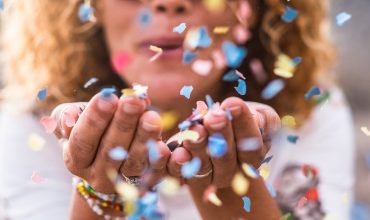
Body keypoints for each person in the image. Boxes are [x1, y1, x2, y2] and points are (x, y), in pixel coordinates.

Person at [0, 0, 355, 219]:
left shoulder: (310, 108)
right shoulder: (30, 123)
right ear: (93, 7)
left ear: (252, 8)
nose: (168, 3)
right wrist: (101, 194)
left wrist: (229, 186)